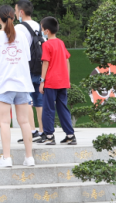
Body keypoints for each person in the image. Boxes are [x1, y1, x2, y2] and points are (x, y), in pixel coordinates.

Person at [0, 4, 36, 168]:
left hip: (4, 83)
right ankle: (29, 158)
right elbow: (27, 57)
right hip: (22, 83)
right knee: (25, 122)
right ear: (13, 18)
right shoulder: (22, 36)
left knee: (4, 122)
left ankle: (7, 158)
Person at [39, 17, 76, 145]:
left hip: (50, 81)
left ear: (47, 31)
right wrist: (68, 78)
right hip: (62, 81)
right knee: (63, 108)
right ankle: (70, 135)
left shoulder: (46, 44)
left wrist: (42, 81)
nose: (41, 31)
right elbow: (67, 60)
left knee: (48, 109)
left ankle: (49, 136)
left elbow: (45, 63)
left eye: (42, 28)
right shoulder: (61, 43)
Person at [16, 0, 44, 141]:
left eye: (16, 11)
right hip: (39, 68)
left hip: (25, 69)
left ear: (21, 12)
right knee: (39, 101)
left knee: (26, 100)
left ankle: (31, 131)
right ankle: (43, 131)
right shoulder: (39, 25)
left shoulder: (19, 28)